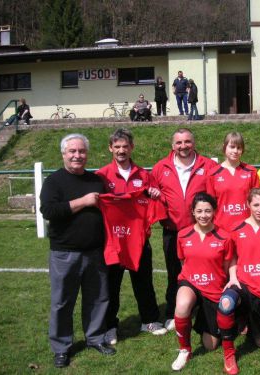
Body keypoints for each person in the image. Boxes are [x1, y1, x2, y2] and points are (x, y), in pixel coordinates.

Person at [40, 133, 116, 368]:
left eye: (81, 151)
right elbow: (49, 211)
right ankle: (62, 347)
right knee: (62, 302)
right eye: (72, 151)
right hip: (65, 253)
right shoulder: (54, 181)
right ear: (63, 153)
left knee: (98, 299)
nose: (77, 155)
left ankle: (95, 338)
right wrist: (83, 202)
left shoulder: (96, 181)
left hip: (95, 252)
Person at [95, 128, 167, 345]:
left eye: (125, 146)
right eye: (117, 147)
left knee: (144, 281)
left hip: (138, 240)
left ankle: (150, 320)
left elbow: (159, 202)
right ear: (110, 148)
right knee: (110, 286)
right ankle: (110, 326)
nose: (121, 150)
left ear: (131, 147)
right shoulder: (101, 176)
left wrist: (156, 194)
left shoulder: (144, 175)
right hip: (113, 242)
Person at [151, 128, 218, 332]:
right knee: (175, 273)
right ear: (173, 145)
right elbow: (155, 194)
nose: (183, 146)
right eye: (179, 143)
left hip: (202, 231)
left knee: (206, 272)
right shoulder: (160, 167)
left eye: (187, 142)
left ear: (194, 143)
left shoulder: (208, 165)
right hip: (173, 231)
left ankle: (204, 309)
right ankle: (173, 311)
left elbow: (216, 196)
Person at [217, 188, 260, 375]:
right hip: (243, 285)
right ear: (248, 205)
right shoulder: (237, 229)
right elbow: (232, 259)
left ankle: (250, 321)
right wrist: (232, 278)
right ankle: (229, 354)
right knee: (226, 303)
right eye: (256, 204)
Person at [171, 192, 234, 371]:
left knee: (210, 345)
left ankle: (204, 318)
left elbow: (226, 266)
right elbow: (183, 262)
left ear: (214, 211)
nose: (203, 215)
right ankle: (185, 350)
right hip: (190, 282)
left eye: (207, 211)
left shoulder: (225, 237)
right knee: (182, 305)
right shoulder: (183, 235)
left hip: (214, 289)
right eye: (199, 211)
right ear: (193, 212)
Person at [206, 131, 260, 231]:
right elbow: (210, 204)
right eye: (232, 147)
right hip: (221, 228)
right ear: (224, 147)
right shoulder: (212, 174)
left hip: (246, 227)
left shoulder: (251, 171)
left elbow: (257, 201)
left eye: (239, 148)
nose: (235, 151)